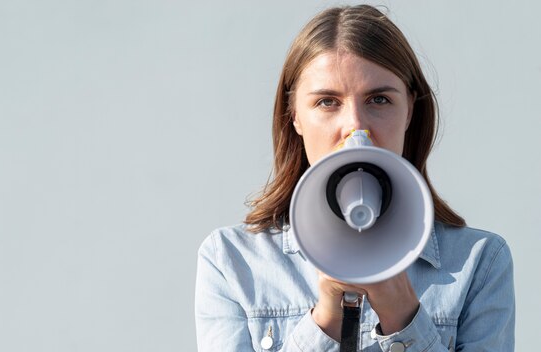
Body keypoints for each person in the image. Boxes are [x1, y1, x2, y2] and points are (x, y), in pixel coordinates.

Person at [194, 5, 515, 351]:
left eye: (379, 99)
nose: (356, 127)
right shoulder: (233, 262)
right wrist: (327, 319)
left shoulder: (480, 263)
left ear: (410, 109)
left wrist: (404, 315)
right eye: (327, 102)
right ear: (295, 116)